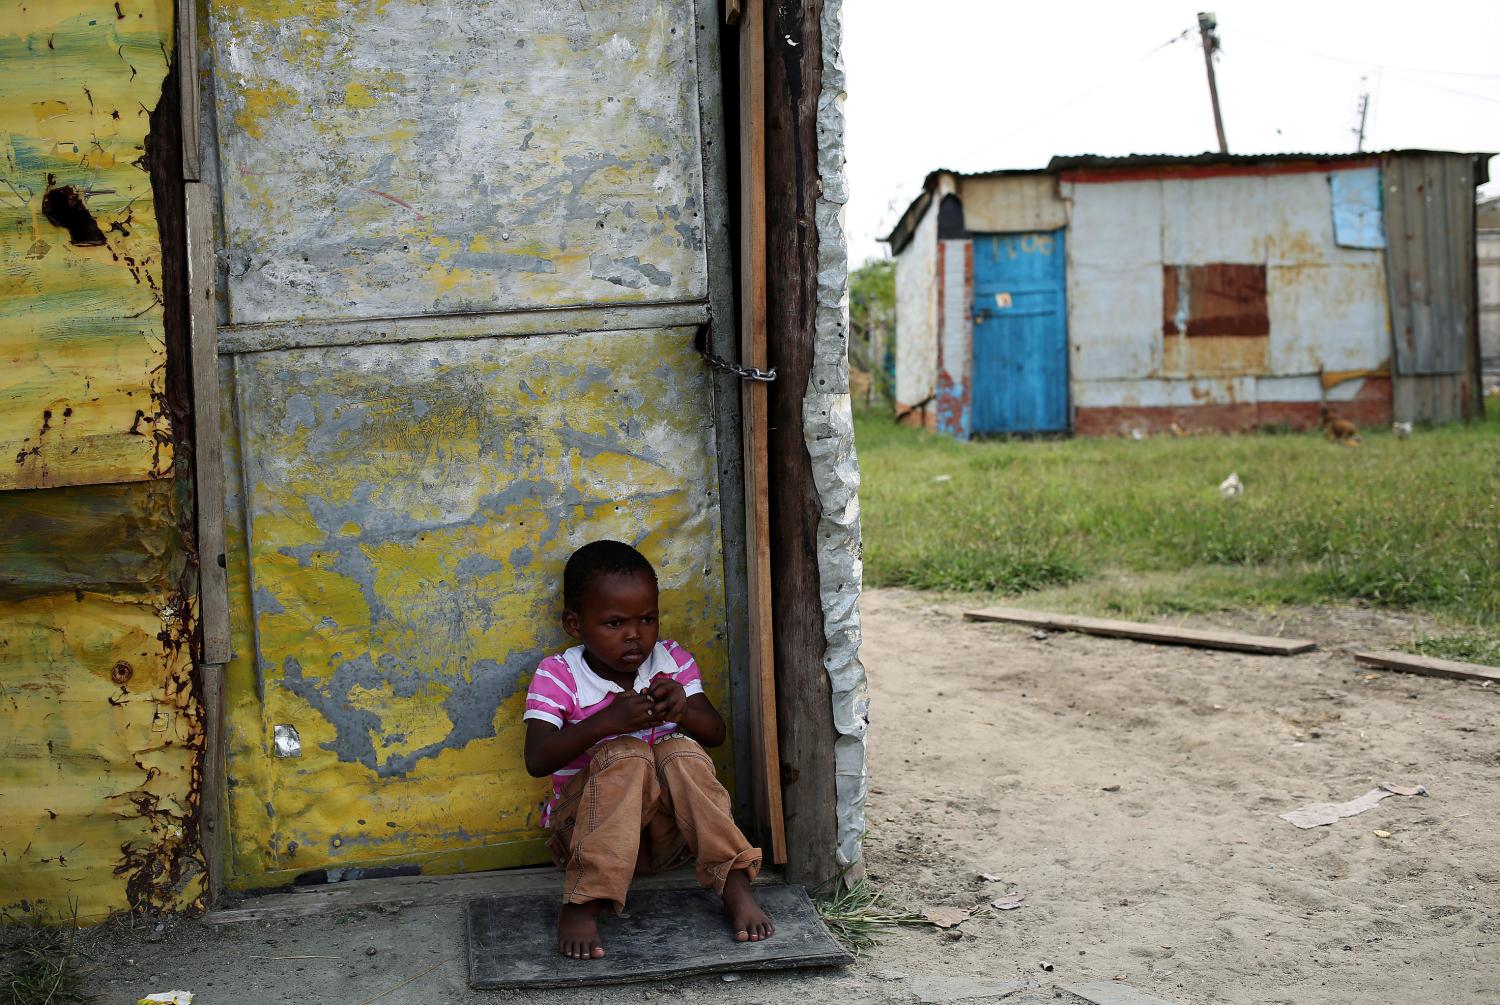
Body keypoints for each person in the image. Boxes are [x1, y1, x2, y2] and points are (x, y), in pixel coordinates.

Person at [522, 540, 775, 960]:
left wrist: (684, 709)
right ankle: (584, 901)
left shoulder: (671, 660)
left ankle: (734, 883)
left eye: (647, 619)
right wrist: (605, 723)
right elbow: (537, 758)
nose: (634, 635)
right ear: (574, 623)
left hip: (666, 842)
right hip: (584, 838)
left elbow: (715, 733)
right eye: (614, 623)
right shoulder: (559, 675)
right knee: (627, 753)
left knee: (680, 749)